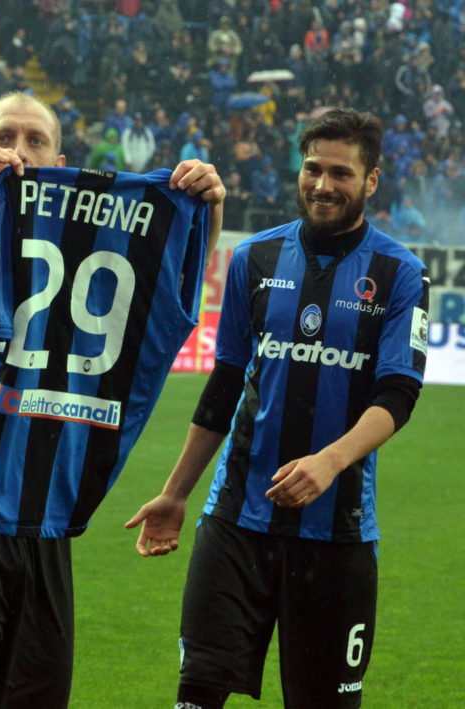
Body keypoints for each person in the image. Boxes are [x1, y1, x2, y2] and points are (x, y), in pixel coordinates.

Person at [0, 90, 225, 709]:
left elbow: (177, 289)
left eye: (35, 140)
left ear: (61, 160)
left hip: (45, 531)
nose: (18, 151)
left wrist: (207, 206)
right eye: (4, 136)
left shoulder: (99, 254)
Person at [126, 108, 429, 709]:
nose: (323, 184)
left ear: (371, 181)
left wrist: (330, 462)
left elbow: (398, 393)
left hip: (337, 533)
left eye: (341, 173)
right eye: (313, 168)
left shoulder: (400, 273)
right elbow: (226, 383)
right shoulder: (254, 259)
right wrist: (176, 493)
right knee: (196, 695)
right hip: (237, 520)